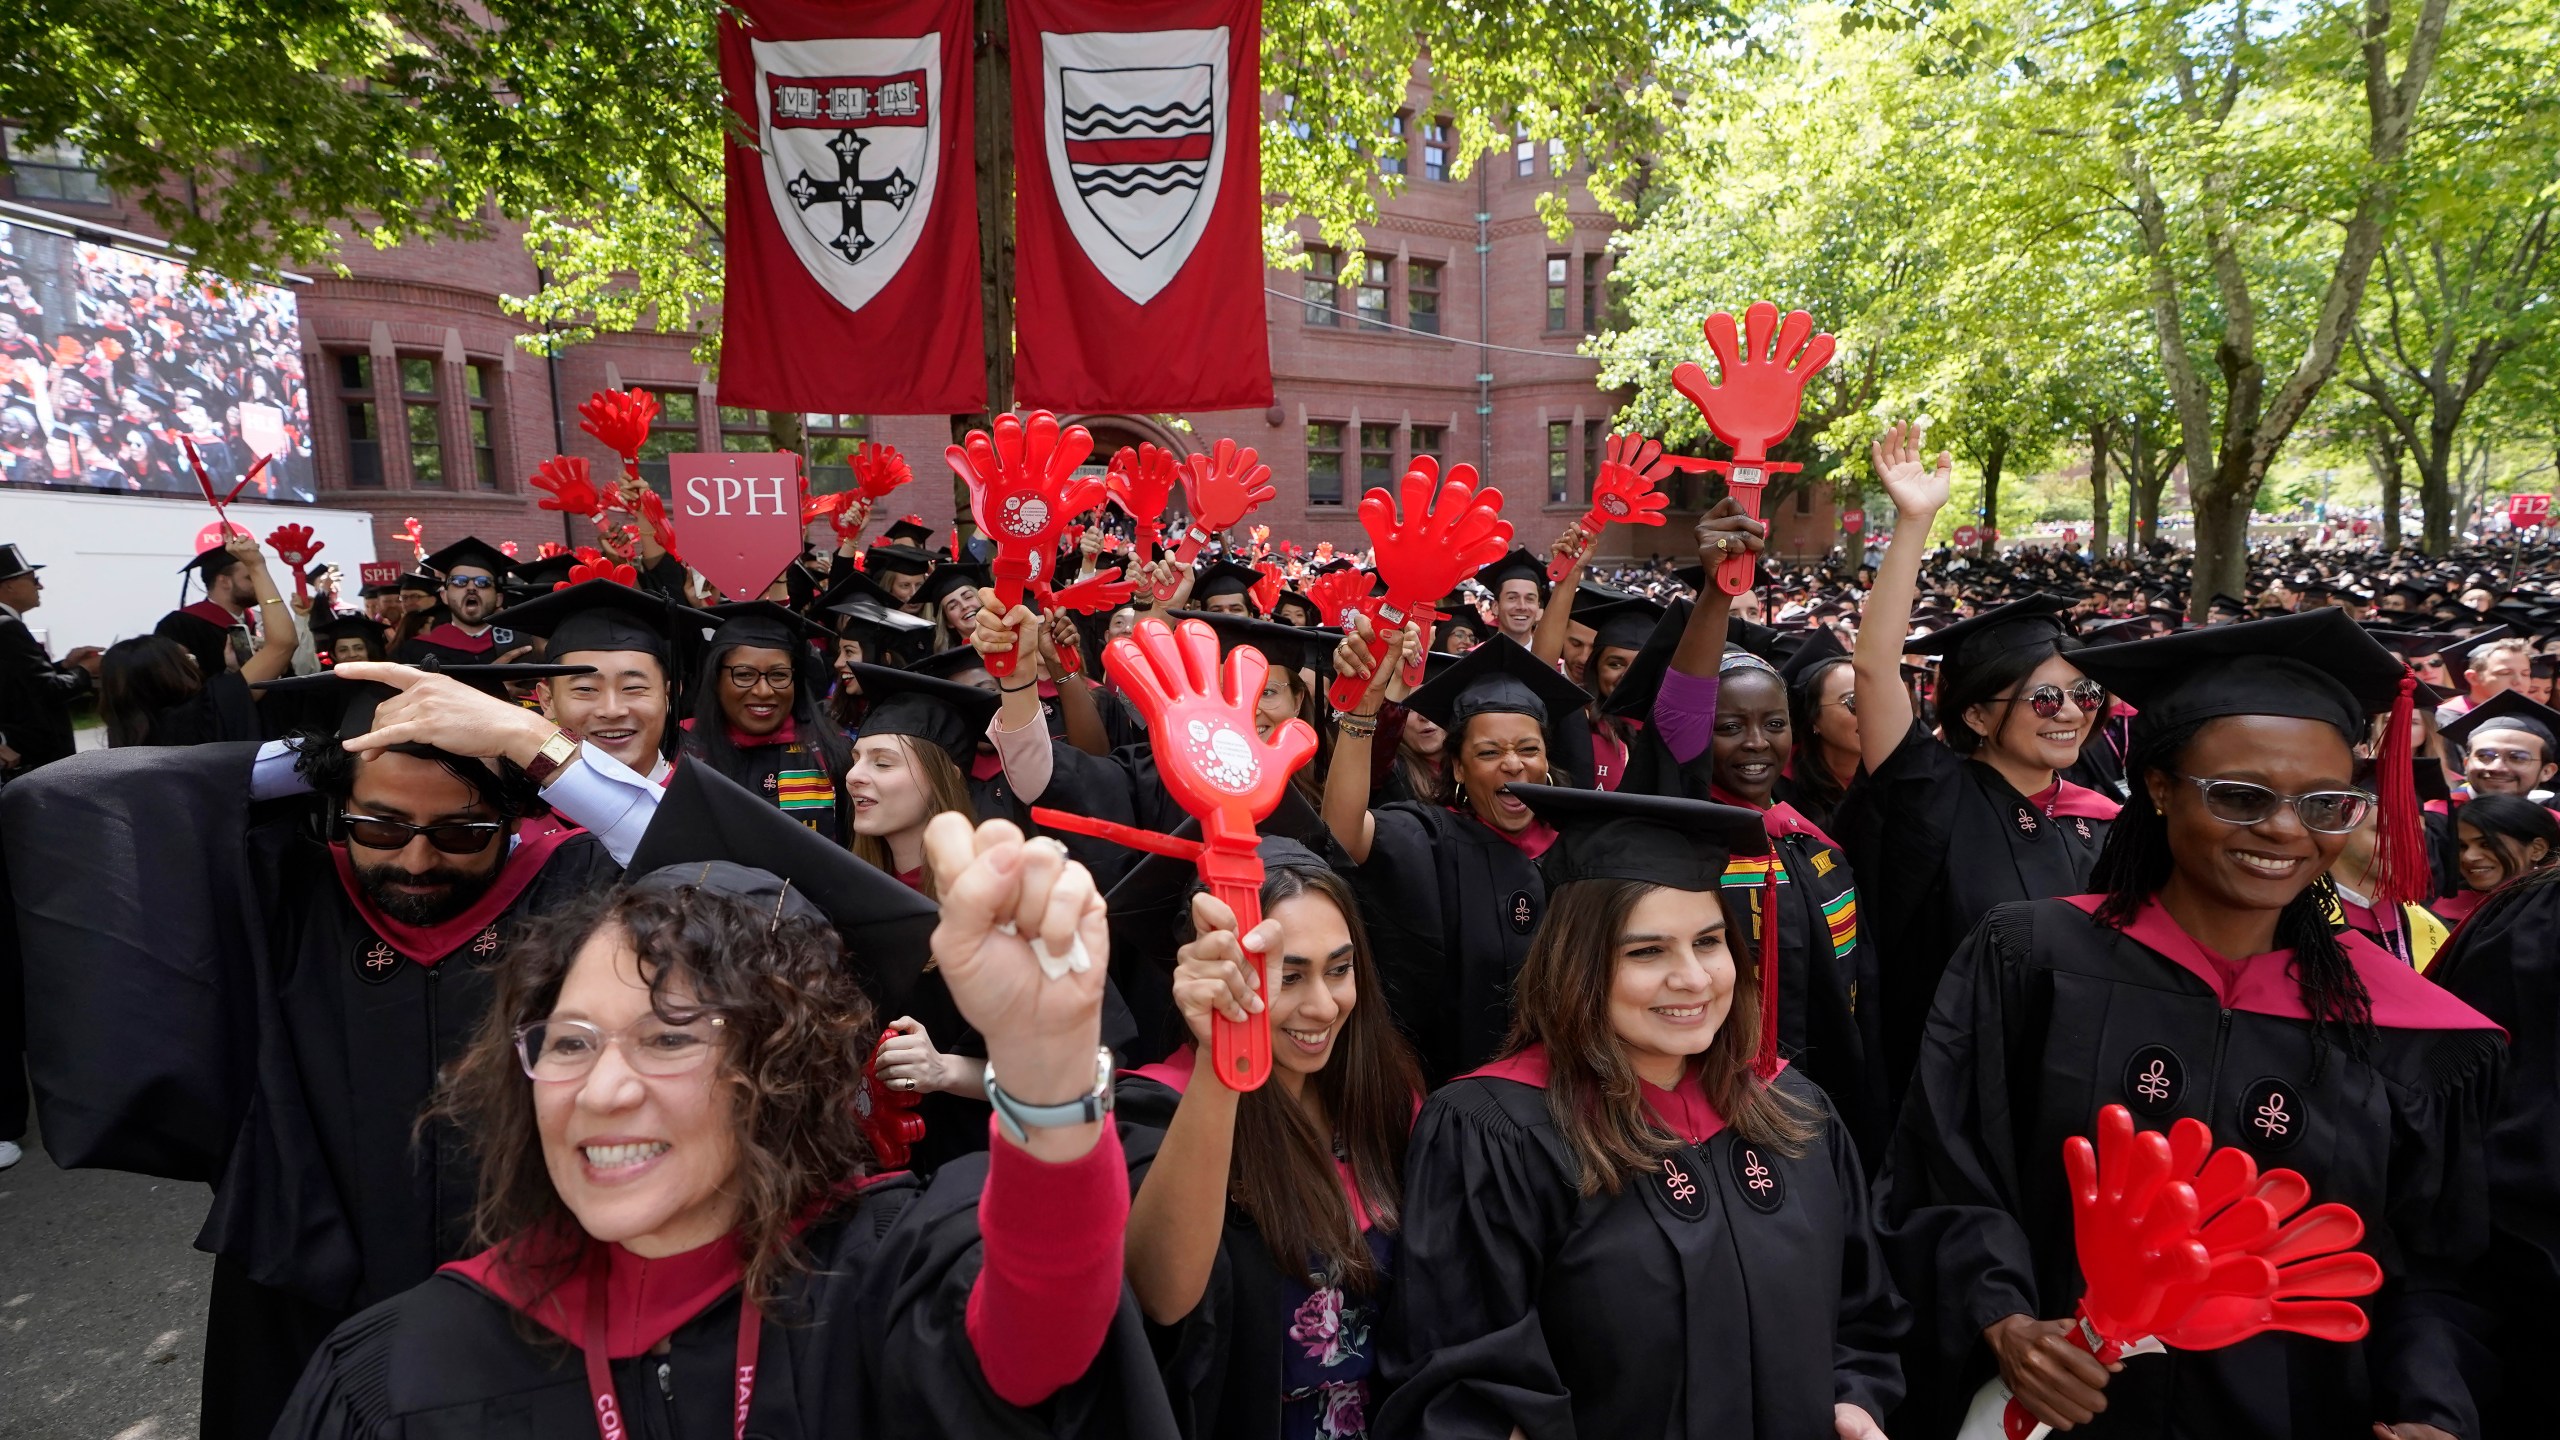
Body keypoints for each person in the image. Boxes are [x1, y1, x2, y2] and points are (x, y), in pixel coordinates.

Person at [275, 807, 1168, 1440]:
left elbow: (1042, 1330)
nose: (601, 1091)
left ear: (782, 1074)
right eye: (570, 1042)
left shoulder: (893, 1280)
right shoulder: (409, 1368)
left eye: (668, 1039)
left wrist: (1043, 1067)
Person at [1876, 609, 2504, 1439]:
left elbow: (2430, 1265)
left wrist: (2430, 1409)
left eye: (2326, 803)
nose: (2285, 829)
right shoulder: (2032, 960)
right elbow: (1947, 1172)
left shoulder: (2398, 1024)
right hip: (2056, 1409)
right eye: (2241, 796)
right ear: (2162, 789)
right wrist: (2002, 1319)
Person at [1, 661, 634, 1440]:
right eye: (380, 825)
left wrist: (531, 743)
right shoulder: (286, 887)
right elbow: (59, 798)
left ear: (517, 816)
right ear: (333, 806)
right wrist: (324, 755)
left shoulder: (578, 888)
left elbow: (760, 883)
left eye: (463, 833)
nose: (415, 861)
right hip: (309, 1285)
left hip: (536, 1288)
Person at [1377, 784, 1907, 1439]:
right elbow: (1461, 1392)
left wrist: (1854, 1404)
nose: (1692, 977)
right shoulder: (1498, 1135)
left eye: (1710, 942)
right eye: (1646, 952)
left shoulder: (1793, 1109)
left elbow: (1861, 1316)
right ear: (1578, 966)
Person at [1835, 422, 2117, 1096]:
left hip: (2074, 1084)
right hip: (1945, 1089)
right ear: (1976, 713)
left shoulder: (2105, 820)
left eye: (2084, 694)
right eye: (2043, 700)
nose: (2073, 713)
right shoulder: (1930, 795)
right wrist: (1915, 522)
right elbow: (1874, 670)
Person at [1116, 844, 1424, 1440]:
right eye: (1287, 977)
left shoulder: (1382, 1095)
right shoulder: (1164, 1108)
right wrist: (1221, 1057)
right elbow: (1162, 1296)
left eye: (1339, 969)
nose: (1322, 1005)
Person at [1323, 631, 1591, 1083]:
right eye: (1489, 752)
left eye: (1529, 749)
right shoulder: (1432, 838)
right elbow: (1343, 834)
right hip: (1459, 1098)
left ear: (1547, 758)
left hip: (1574, 1093)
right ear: (1460, 768)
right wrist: (1364, 712)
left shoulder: (1581, 847)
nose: (1512, 764)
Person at [490, 579, 699, 785]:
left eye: (633, 687)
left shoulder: (711, 804)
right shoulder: (524, 812)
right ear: (547, 700)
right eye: (586, 689)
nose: (612, 710)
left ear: (669, 695)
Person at [679, 601, 851, 839]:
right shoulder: (680, 749)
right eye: (744, 675)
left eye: (779, 675)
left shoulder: (833, 752)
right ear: (715, 680)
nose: (763, 691)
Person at [0, 542, 100, 774]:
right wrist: (86, 669)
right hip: (31, 756)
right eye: (34, 580)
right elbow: (46, 691)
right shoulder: (7, 627)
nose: (41, 586)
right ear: (9, 585)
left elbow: (22, 681)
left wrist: (65, 666)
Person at [2436, 793, 2559, 926]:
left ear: (2537, 849)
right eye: (2462, 846)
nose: (2468, 857)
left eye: (2487, 844)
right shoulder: (2443, 912)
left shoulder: (2552, 909)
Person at [397, 538, 519, 665]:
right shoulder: (417, 650)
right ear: (444, 596)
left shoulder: (522, 646)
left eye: (483, 582)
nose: (471, 588)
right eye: (459, 581)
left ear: (499, 598)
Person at [1782, 635, 1861, 832]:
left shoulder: (1898, 773)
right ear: (1814, 718)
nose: (1872, 711)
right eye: (1854, 702)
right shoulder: (1779, 789)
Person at [2441, 689, 2560, 800]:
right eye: (2484, 756)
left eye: (2517, 758)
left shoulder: (2551, 820)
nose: (2497, 767)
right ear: (2466, 764)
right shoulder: (2434, 818)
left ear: (2546, 772)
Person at [1474, 548, 1547, 647]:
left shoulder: (1551, 661)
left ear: (1538, 608)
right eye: (1512, 598)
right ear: (1495, 607)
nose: (1522, 606)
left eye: (1530, 599)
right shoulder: (1469, 659)